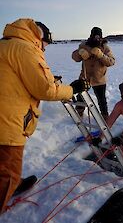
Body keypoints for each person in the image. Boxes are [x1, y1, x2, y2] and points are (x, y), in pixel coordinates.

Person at [0, 18, 89, 214]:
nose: (44, 50)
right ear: (37, 37)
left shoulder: (5, 44)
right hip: (6, 123)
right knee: (8, 171)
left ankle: (12, 184)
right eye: (44, 45)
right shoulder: (25, 49)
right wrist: (72, 89)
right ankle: (10, 183)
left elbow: (16, 78)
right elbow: (46, 90)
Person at [72, 27, 115, 119]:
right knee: (81, 97)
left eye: (98, 37)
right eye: (94, 36)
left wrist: (101, 55)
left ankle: (105, 117)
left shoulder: (105, 48)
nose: (96, 38)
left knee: (102, 100)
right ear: (91, 36)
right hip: (85, 77)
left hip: (99, 79)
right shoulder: (84, 46)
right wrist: (79, 53)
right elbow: (75, 58)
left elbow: (111, 62)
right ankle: (79, 114)